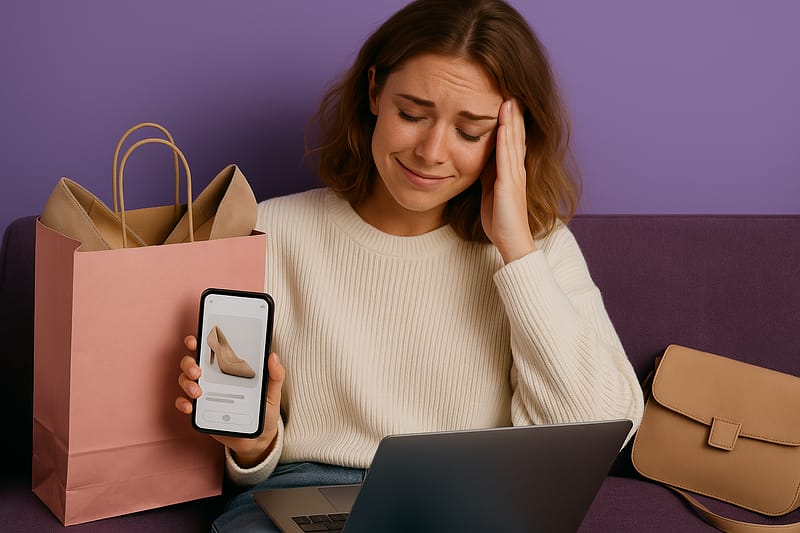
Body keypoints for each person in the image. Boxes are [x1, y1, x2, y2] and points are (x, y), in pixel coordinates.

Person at [175, 0, 644, 530]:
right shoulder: (270, 232)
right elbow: (235, 452)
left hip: (465, 504)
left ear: (508, 139)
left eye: (470, 132)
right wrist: (255, 442)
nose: (431, 151)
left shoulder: (536, 251)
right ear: (374, 91)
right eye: (412, 114)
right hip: (305, 488)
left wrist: (515, 251)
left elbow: (604, 430)